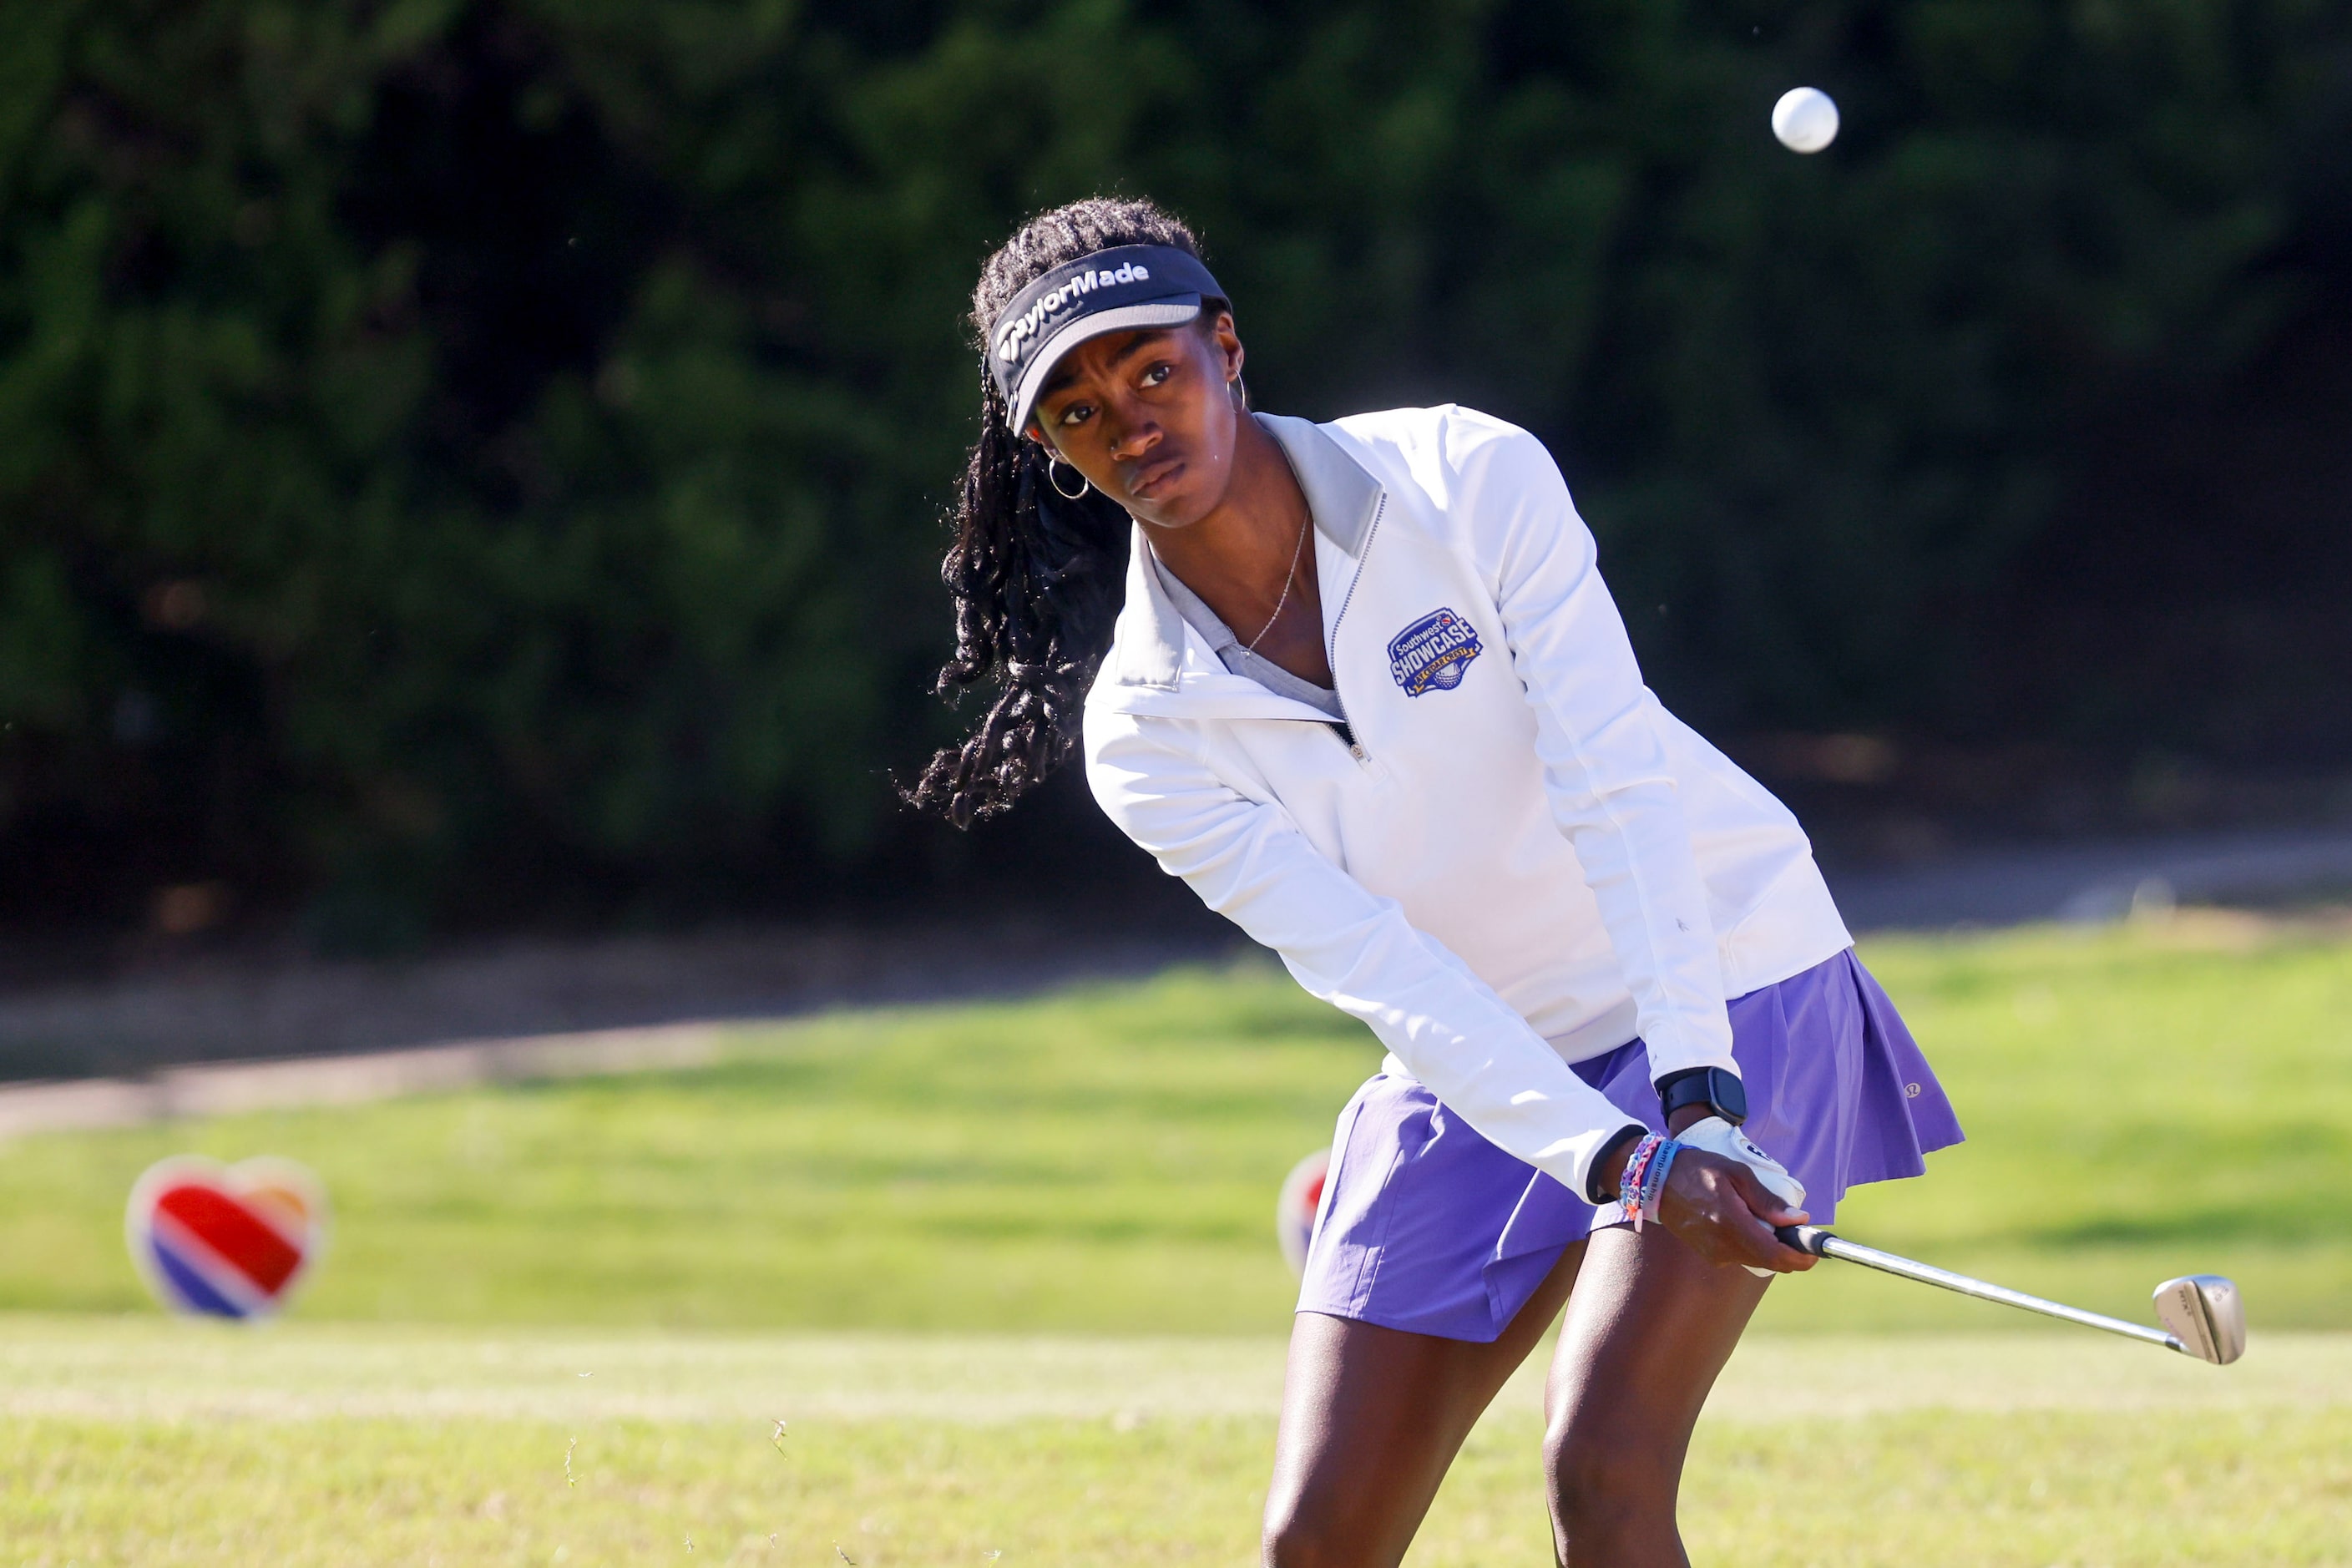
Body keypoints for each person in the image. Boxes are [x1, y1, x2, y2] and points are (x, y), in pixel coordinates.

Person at [910, 197, 1962, 1568]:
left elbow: (1613, 783)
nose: (1129, 424)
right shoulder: (1142, 733)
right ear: (1048, 449)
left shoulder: (1466, 475)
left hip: (1720, 972)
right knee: (1315, 1539)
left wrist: (1692, 1111)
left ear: (1226, 347)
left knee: (1602, 1462)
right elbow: (1380, 973)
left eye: (1152, 368)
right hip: (1479, 1049)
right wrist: (1615, 1156)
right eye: (1077, 411)